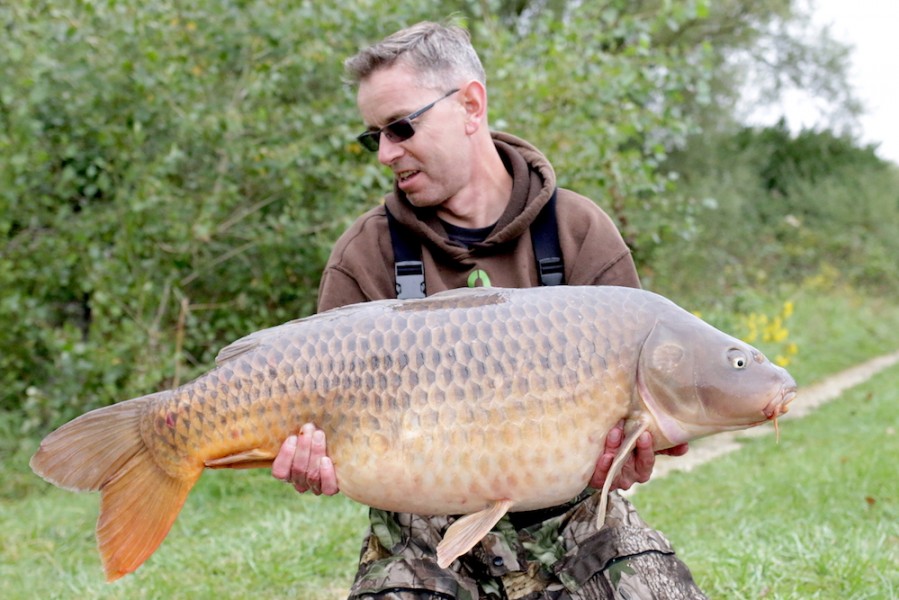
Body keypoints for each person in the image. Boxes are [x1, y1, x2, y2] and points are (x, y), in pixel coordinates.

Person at [272, 21, 706, 599]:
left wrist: (625, 459)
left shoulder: (579, 232)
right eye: (372, 135)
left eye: (401, 127)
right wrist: (312, 460)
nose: (385, 153)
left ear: (470, 105)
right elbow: (319, 429)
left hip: (571, 525)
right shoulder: (366, 253)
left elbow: (635, 424)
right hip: (417, 537)